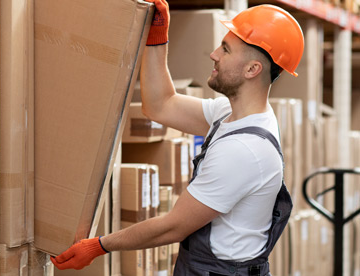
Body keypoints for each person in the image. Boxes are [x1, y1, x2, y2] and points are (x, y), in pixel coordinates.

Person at [51, 1, 304, 275]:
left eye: (226, 49)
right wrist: (158, 37)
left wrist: (99, 246)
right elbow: (161, 105)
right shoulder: (233, 115)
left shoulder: (245, 149)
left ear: (252, 69)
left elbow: (174, 226)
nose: (213, 54)